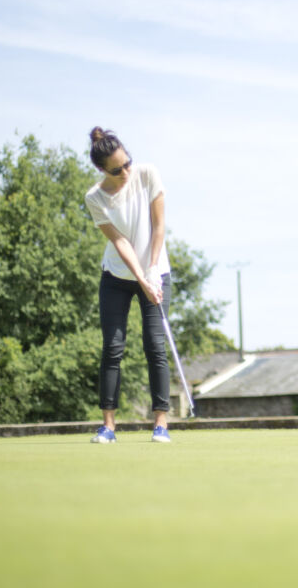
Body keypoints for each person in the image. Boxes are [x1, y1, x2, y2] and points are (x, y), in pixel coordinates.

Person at [84, 127, 173, 443]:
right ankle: (108, 427)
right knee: (113, 347)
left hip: (156, 270)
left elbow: (159, 225)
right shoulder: (95, 198)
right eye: (116, 170)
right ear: (101, 170)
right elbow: (120, 241)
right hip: (117, 276)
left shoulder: (147, 174)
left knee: (155, 344)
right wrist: (140, 277)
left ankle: (160, 423)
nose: (125, 172)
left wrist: (152, 270)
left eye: (127, 163)